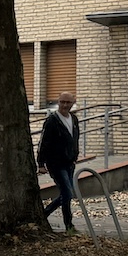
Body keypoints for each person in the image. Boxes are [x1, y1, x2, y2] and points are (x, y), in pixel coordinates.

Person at [37, 91, 81, 233]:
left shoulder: (74, 119)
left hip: (69, 162)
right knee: (67, 193)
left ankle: (68, 225)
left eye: (68, 102)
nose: (65, 105)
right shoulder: (52, 121)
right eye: (62, 102)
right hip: (55, 163)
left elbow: (75, 139)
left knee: (66, 194)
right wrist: (41, 164)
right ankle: (45, 215)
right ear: (58, 102)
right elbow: (44, 142)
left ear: (73, 103)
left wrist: (75, 156)